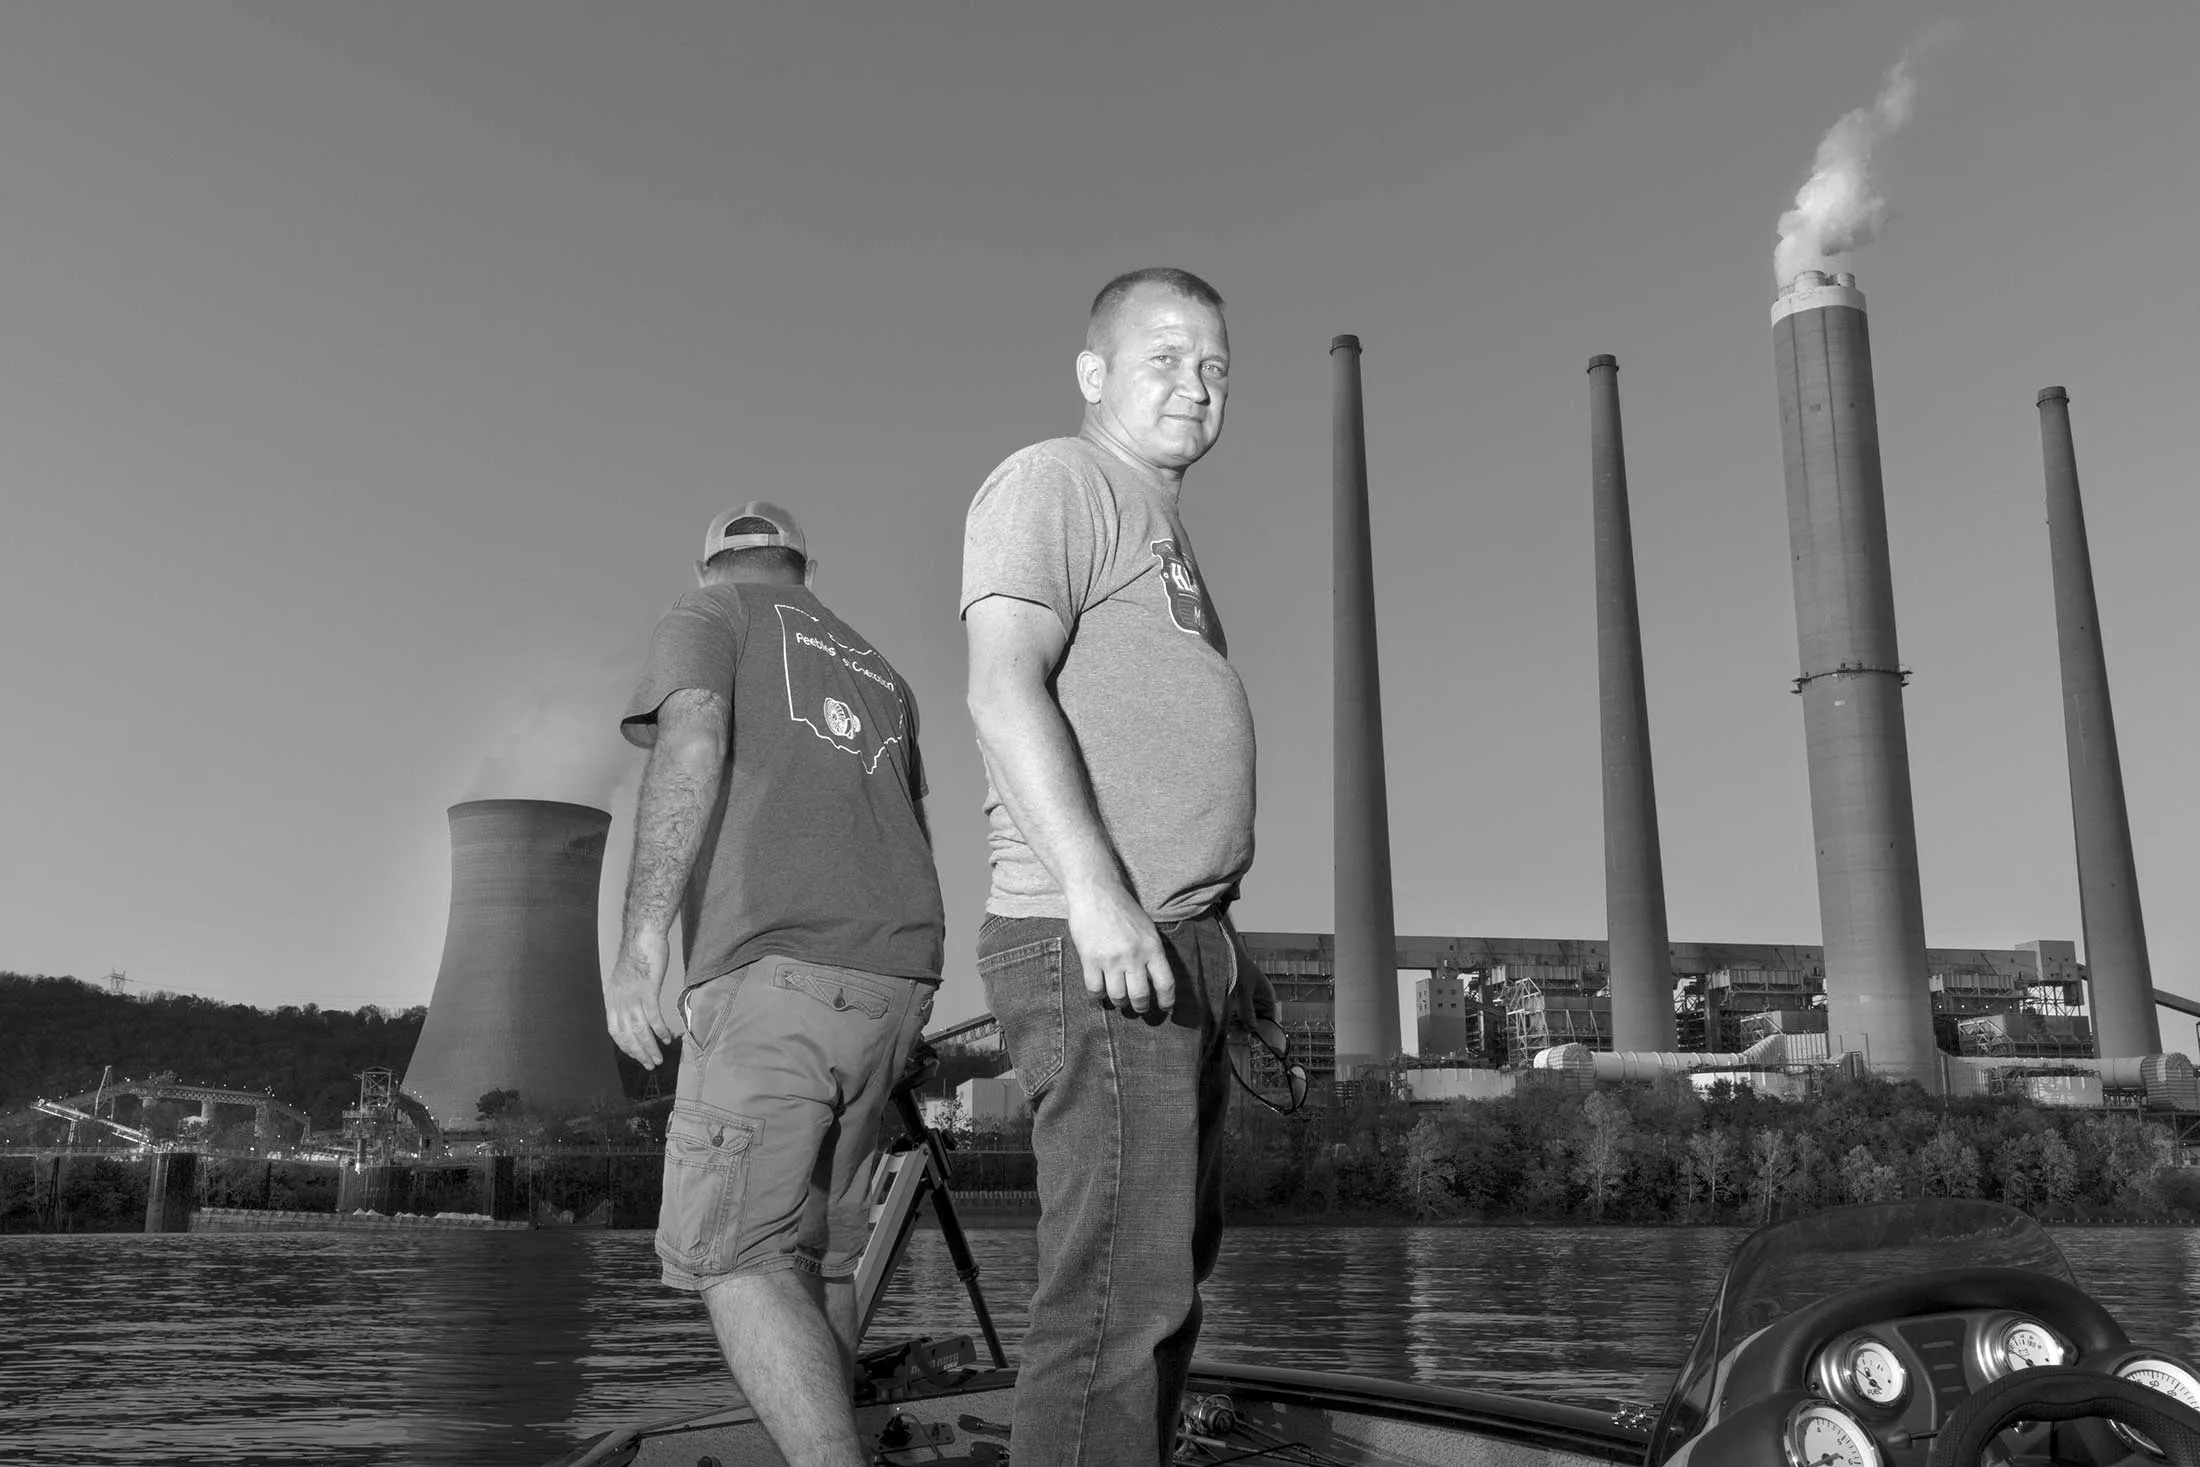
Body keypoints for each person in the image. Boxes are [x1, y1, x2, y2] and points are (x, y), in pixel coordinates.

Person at [960, 266, 1275, 1464]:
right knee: (1113, 1301)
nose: (1195, 387)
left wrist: (1224, 952)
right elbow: (1001, 685)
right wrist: (1098, 895)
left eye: (1215, 368)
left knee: (1165, 1282)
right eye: (1164, 359)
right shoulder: (1058, 479)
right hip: (1093, 938)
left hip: (1173, 942)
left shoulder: (1159, 524)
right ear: (1092, 373)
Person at [603, 501, 944, 1467]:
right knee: (820, 1257)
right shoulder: (884, 671)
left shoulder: (710, 615)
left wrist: (640, 947)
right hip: (894, 977)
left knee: (733, 1256)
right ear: (804, 562)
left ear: (713, 563)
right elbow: (915, 828)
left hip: (775, 972)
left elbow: (692, 745)